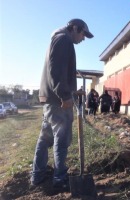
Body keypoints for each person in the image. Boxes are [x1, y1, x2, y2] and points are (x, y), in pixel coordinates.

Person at [31, 19, 93, 189]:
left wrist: (69, 93)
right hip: (59, 101)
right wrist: (65, 96)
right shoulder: (63, 39)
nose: (83, 39)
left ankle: (37, 176)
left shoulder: (57, 39)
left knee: (45, 139)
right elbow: (56, 70)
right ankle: (60, 178)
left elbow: (54, 70)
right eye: (82, 34)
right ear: (74, 28)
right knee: (61, 139)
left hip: (50, 100)